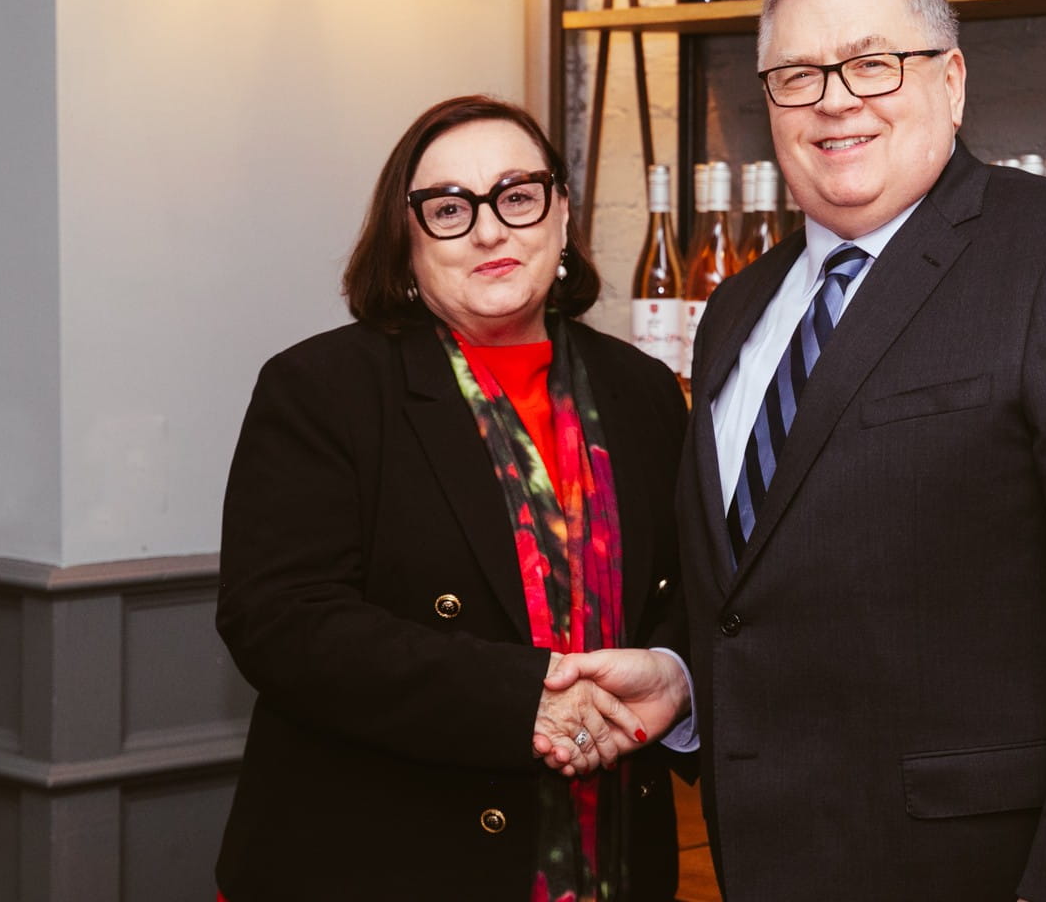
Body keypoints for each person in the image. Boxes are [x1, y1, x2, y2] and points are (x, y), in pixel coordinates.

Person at [550, 0, 1046, 900]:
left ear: (951, 82)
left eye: (873, 62)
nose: (835, 98)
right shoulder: (738, 313)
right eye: (797, 74)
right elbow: (768, 591)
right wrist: (688, 680)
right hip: (773, 863)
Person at [215, 95, 693, 901]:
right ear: (406, 243)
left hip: (616, 856)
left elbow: (699, 589)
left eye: (516, 195)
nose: (489, 229)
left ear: (560, 213)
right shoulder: (320, 389)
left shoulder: (643, 390)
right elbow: (279, 619)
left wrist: (674, 675)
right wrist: (519, 702)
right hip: (383, 859)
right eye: (448, 208)